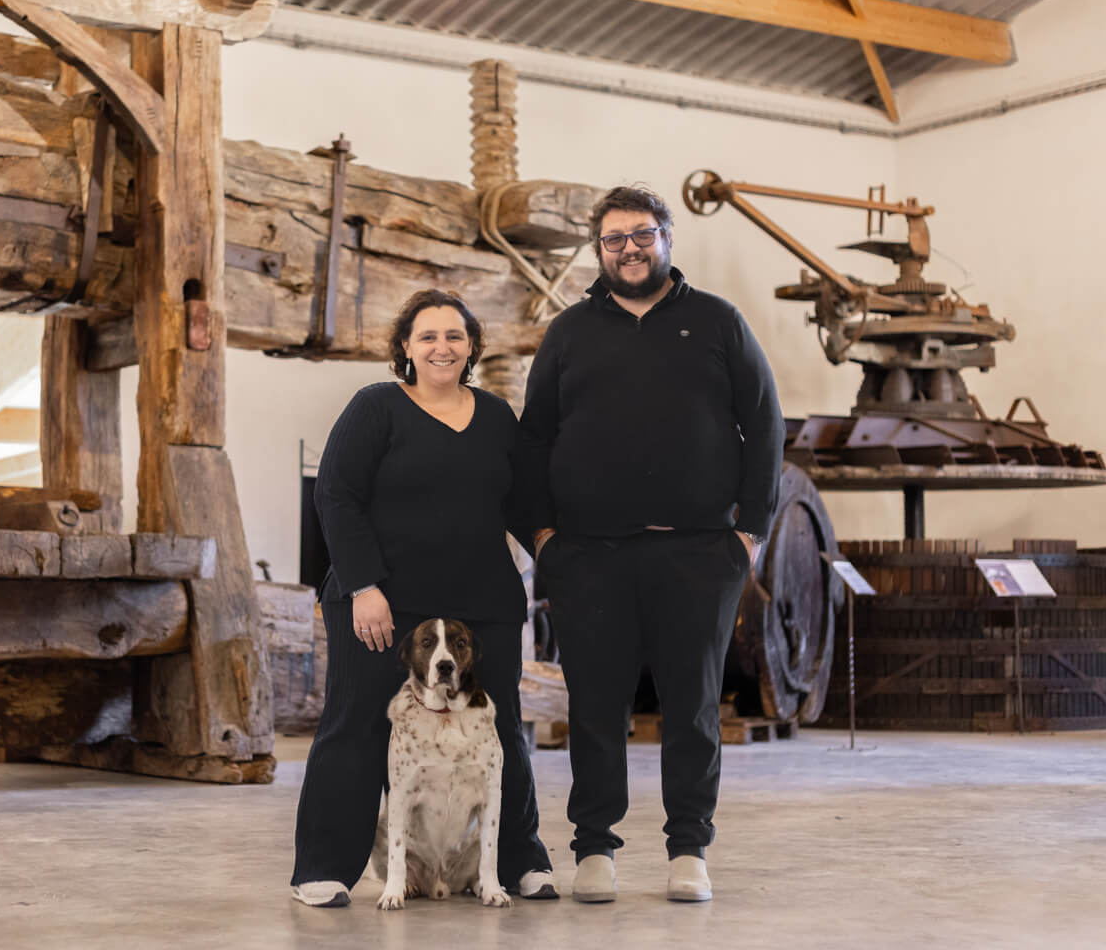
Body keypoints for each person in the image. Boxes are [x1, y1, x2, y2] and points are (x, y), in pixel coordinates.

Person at [521, 184, 784, 904]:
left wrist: (750, 533)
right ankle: (594, 849)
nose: (629, 249)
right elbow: (533, 436)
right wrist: (543, 537)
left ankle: (688, 849)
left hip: (699, 553)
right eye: (614, 239)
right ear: (599, 250)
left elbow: (765, 424)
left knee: (693, 707)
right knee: (595, 708)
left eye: (642, 234)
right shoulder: (569, 331)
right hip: (588, 556)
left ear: (667, 238)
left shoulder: (718, 322)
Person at [290, 289, 556, 908]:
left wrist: (558, 555)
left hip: (481, 606)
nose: (442, 347)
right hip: (383, 603)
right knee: (356, 726)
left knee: (501, 731)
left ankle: (520, 860)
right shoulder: (375, 407)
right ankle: (322, 868)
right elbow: (336, 496)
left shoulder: (497, 417)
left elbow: (522, 505)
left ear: (472, 347)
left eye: (455, 336)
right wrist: (363, 586)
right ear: (406, 347)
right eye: (428, 336)